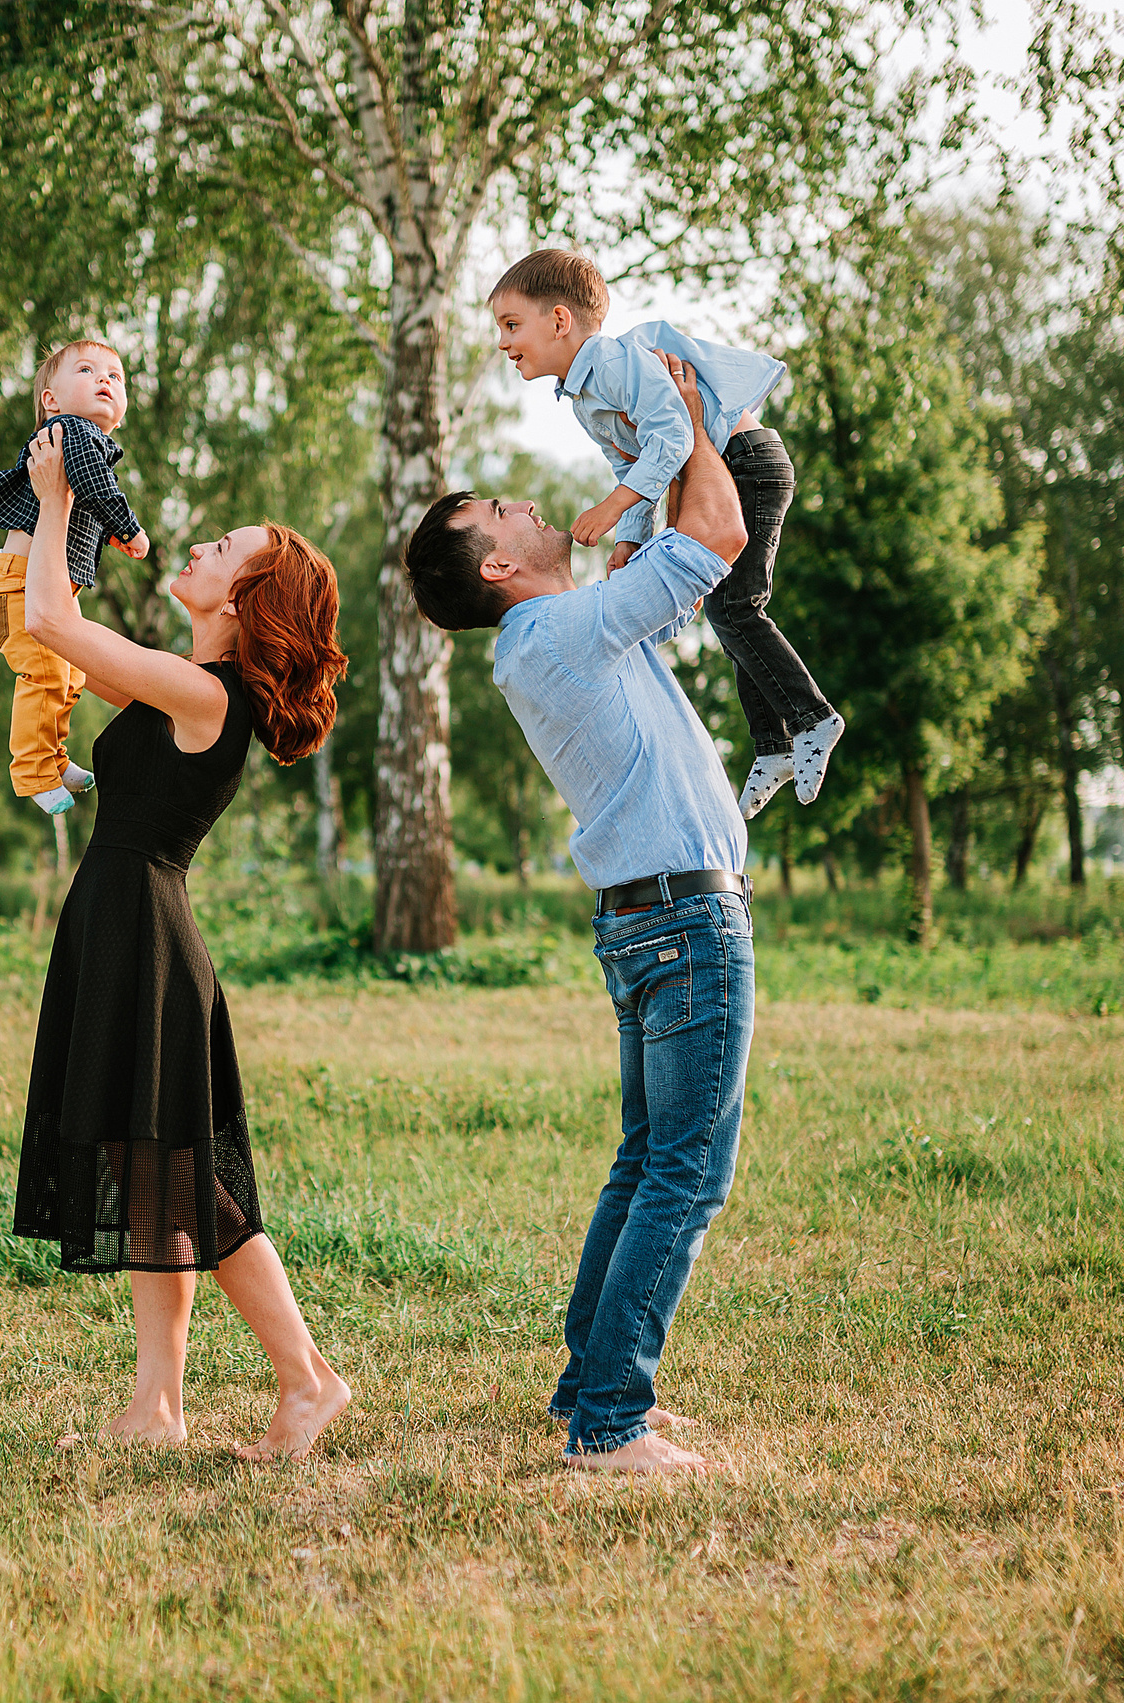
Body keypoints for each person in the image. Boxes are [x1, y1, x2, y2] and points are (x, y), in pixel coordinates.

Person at [404, 352, 755, 1476]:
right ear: (498, 561)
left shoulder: (562, 629)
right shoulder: (560, 631)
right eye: (505, 508)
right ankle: (609, 1418)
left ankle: (587, 1378)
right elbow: (718, 540)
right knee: (685, 1170)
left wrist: (651, 459)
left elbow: (667, 541)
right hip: (684, 924)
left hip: (651, 916)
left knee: (646, 1156)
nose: (528, 501)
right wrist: (690, 422)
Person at [9, 418, 353, 1462]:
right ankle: (157, 1401)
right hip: (124, 921)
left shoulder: (205, 696)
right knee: (147, 1168)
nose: (198, 548)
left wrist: (62, 494)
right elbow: (54, 648)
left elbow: (56, 621)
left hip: (144, 932)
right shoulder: (180, 684)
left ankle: (309, 1376)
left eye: (222, 550)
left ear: (246, 601)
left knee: (183, 1177)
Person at [487, 248, 843, 817]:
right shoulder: (583, 397)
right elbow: (635, 466)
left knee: (736, 611)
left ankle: (813, 718)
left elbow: (675, 436)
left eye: (511, 326)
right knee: (731, 615)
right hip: (727, 469)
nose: (503, 343)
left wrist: (613, 508)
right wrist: (629, 537)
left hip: (747, 462)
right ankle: (773, 745)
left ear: (559, 321)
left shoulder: (613, 361)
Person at [0, 340, 152, 816]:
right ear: (52, 400)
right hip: (19, 586)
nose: (105, 380)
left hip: (38, 587)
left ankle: (53, 757)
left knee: (68, 676)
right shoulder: (71, 431)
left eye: (116, 375)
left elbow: (83, 499)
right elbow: (95, 485)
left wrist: (107, 532)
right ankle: (31, 771)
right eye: (88, 371)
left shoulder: (81, 442)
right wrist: (128, 527)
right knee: (46, 674)